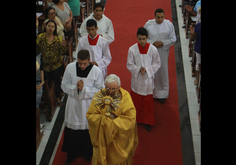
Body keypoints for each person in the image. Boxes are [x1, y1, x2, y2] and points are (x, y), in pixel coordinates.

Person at [61, 49, 105, 164]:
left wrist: (84, 90)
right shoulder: (70, 68)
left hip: (88, 105)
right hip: (73, 104)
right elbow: (64, 85)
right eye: (79, 63)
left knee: (87, 130)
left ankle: (87, 153)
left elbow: (100, 90)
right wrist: (76, 88)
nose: (82, 66)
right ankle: (72, 154)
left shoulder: (96, 71)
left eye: (84, 63)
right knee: (72, 131)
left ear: (89, 60)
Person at [86, 74, 139, 165]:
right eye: (108, 88)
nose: (110, 91)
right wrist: (104, 120)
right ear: (105, 86)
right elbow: (91, 115)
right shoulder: (99, 96)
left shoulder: (125, 96)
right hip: (102, 137)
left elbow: (131, 118)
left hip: (118, 137)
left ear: (119, 87)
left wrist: (113, 123)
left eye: (113, 89)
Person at [127, 27, 161, 131]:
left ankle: (148, 121)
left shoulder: (153, 49)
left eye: (144, 39)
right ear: (137, 38)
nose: (142, 41)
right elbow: (129, 64)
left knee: (147, 102)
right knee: (136, 101)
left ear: (147, 38)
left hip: (147, 79)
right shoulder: (132, 49)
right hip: (137, 79)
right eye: (140, 39)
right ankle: (135, 119)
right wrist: (138, 69)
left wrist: (146, 69)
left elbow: (157, 63)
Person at [144, 8, 176, 103]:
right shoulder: (148, 25)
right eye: (158, 17)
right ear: (154, 17)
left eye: (162, 17)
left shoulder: (169, 25)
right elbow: (143, 37)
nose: (160, 19)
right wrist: (153, 43)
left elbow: (173, 38)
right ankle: (150, 90)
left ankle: (162, 93)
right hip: (151, 51)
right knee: (150, 69)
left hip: (162, 51)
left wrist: (162, 43)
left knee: (162, 71)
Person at [36, 20, 67, 106]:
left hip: (56, 64)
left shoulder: (58, 39)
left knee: (56, 81)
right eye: (49, 26)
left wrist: (64, 47)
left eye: (52, 27)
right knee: (46, 82)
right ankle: (47, 99)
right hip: (44, 65)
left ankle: (57, 97)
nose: (50, 28)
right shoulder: (40, 37)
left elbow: (63, 52)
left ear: (55, 28)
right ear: (45, 26)